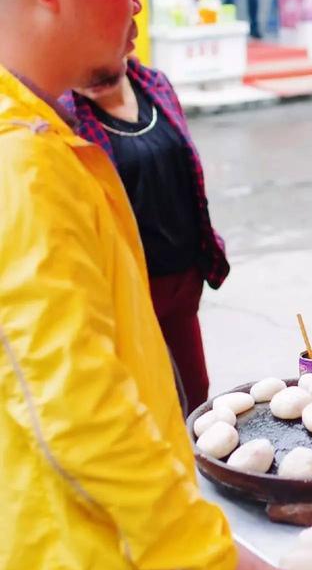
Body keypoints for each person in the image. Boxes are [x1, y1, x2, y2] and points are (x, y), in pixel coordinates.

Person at [0, 0, 312, 570]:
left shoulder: (47, 130)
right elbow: (73, 408)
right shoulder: (24, 165)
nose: (138, 1)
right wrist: (220, 556)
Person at [59, 57, 226, 415]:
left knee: (195, 393)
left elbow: (187, 177)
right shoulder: (61, 113)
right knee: (144, 406)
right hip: (126, 287)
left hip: (183, 279)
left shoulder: (154, 85)